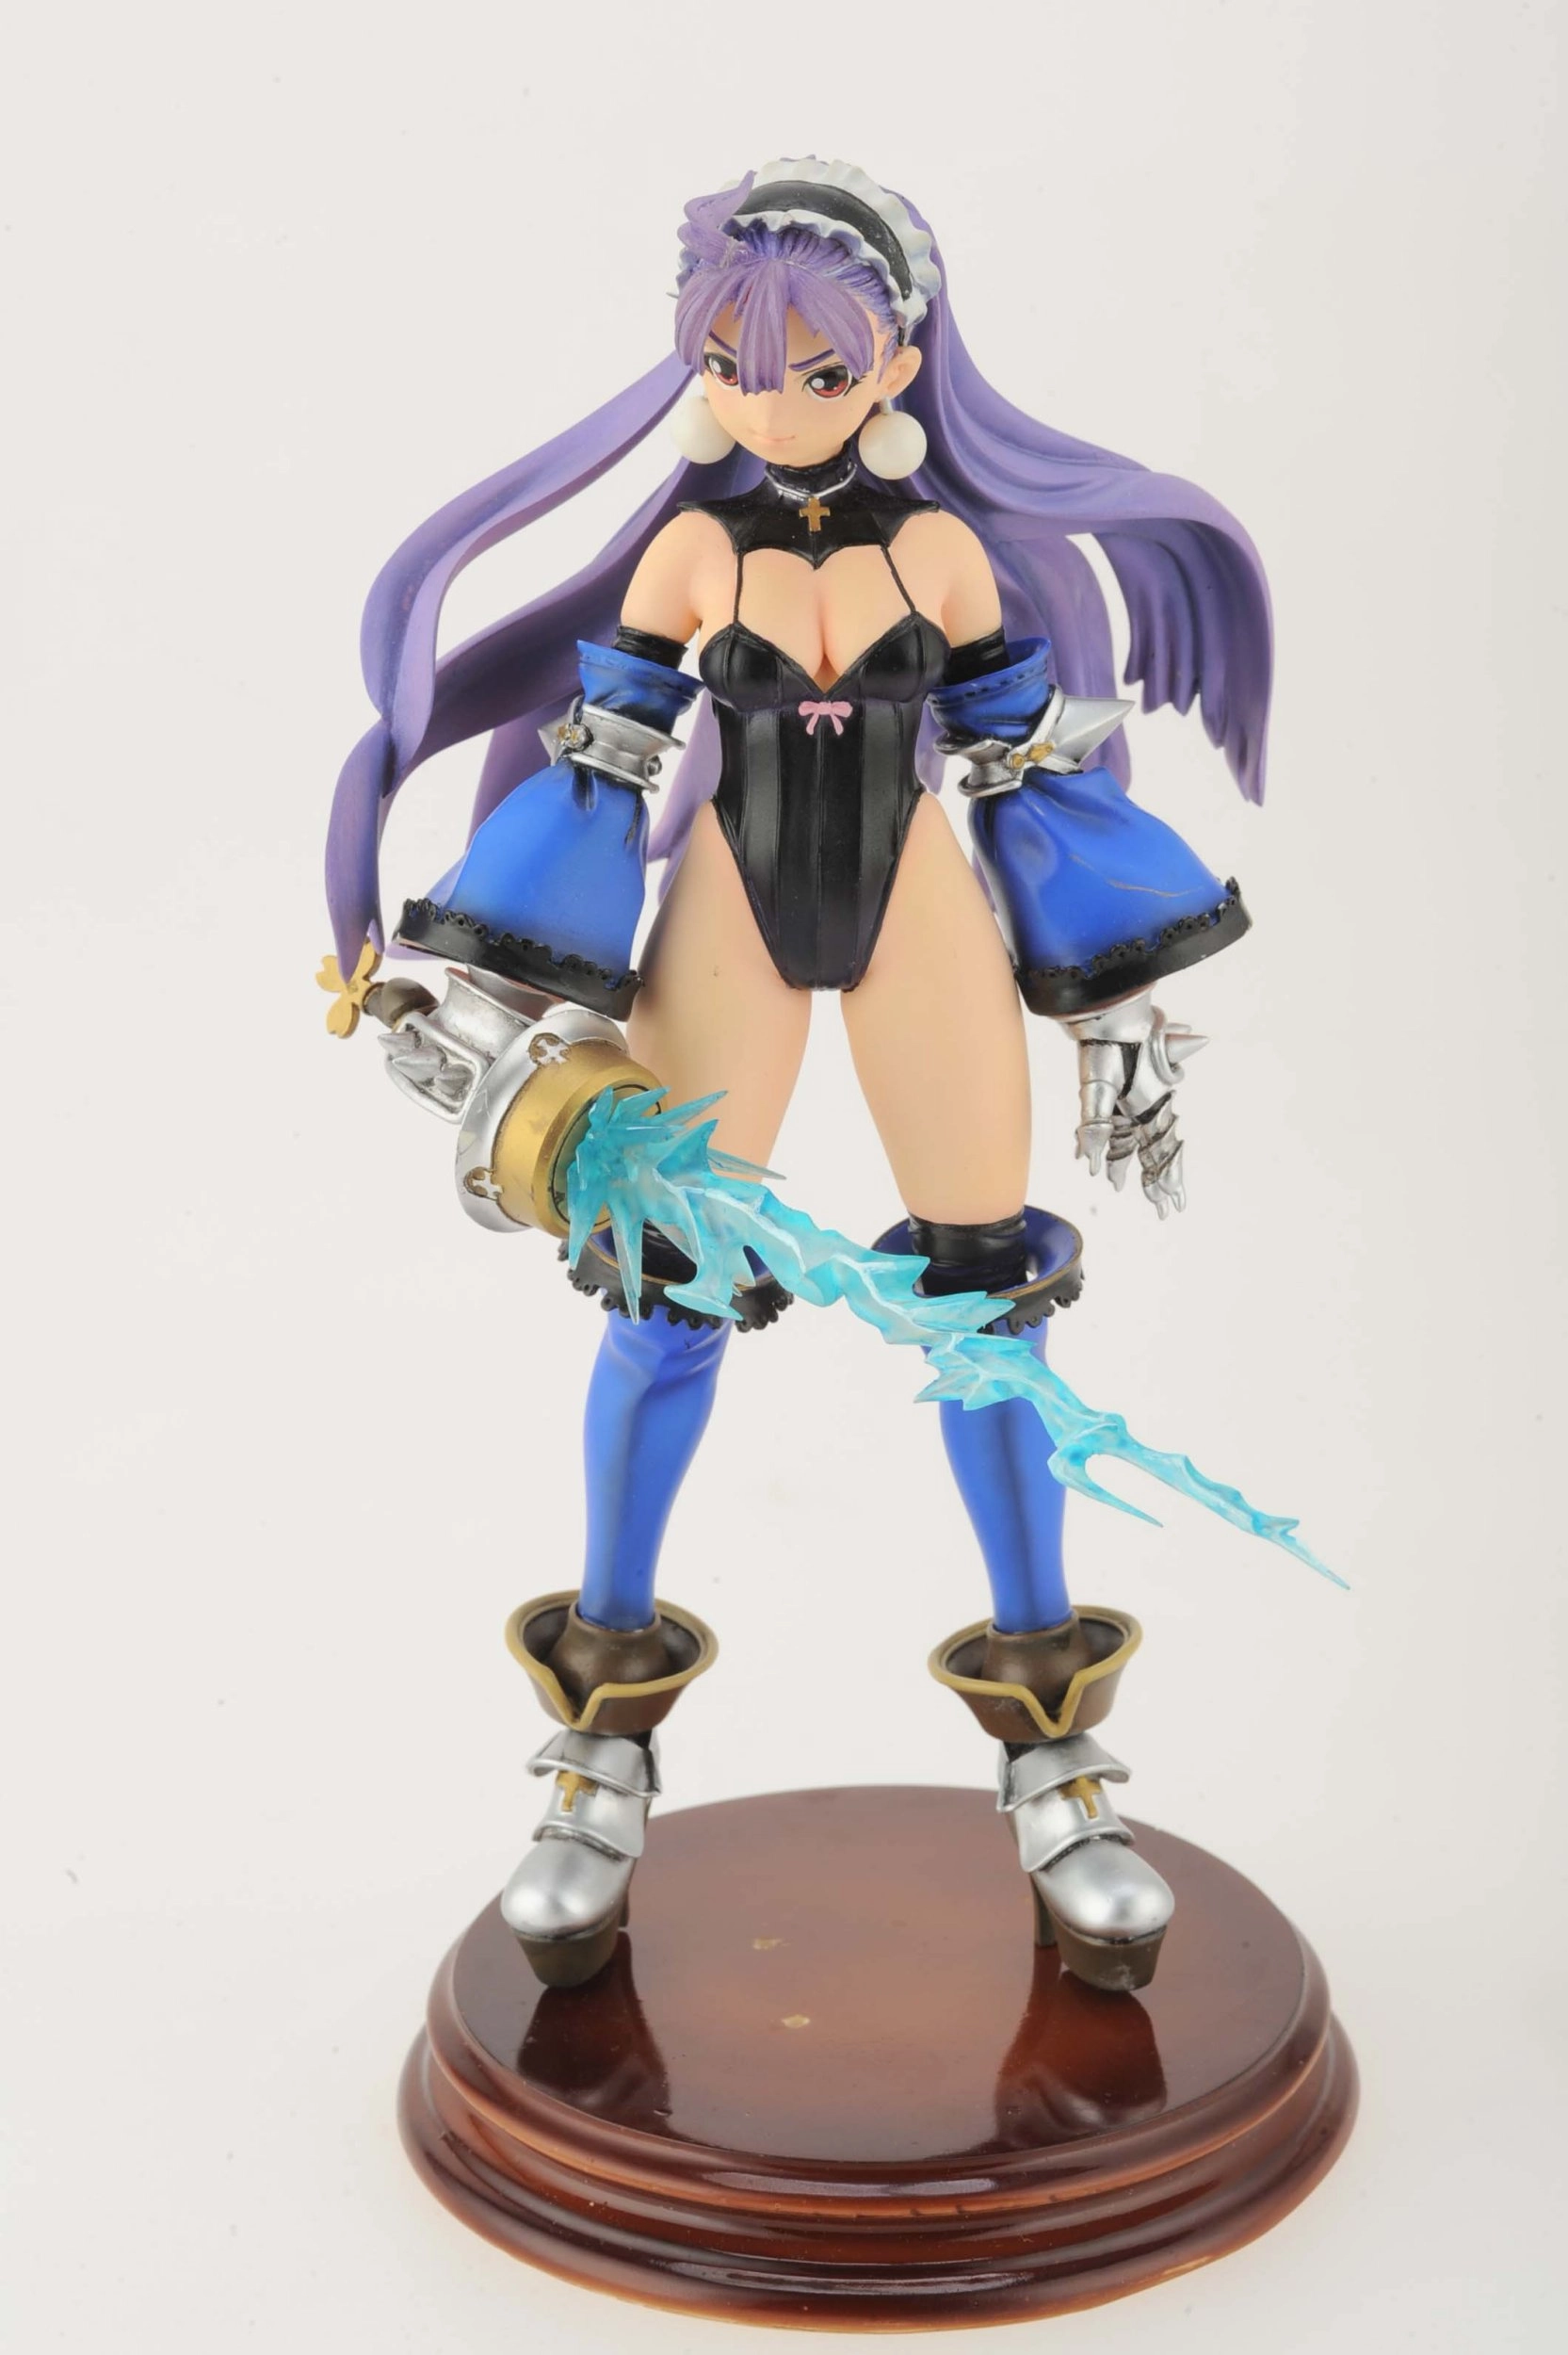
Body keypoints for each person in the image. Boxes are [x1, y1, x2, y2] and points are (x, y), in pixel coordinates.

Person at [325, 159, 1271, 1994]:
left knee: (985, 1313)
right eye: (733, 366)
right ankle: (597, 1745)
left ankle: (1054, 1760)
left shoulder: (946, 557)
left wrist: (1118, 1004)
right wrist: (500, 989)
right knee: (663, 1291)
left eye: (819, 370)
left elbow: (1028, 784)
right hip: (730, 920)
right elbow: (598, 771)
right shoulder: (695, 556)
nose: (771, 405)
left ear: (898, 358)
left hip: (919, 918)